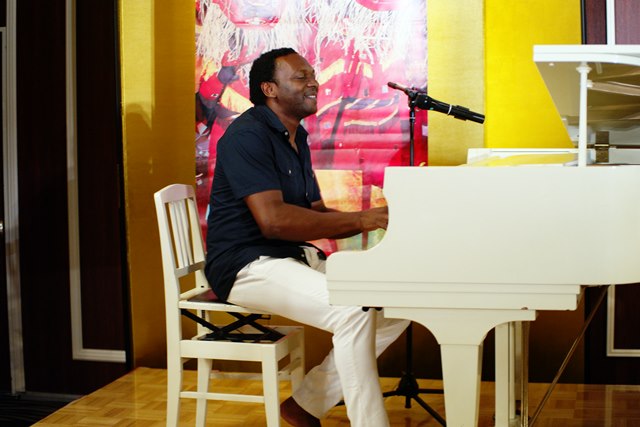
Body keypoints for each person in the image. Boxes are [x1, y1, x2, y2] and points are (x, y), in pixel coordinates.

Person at [205, 47, 409, 427]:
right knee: (353, 311)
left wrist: (377, 219)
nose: (314, 83)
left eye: (312, 75)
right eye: (301, 77)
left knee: (397, 305)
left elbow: (314, 212)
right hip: (245, 263)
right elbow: (274, 222)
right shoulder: (247, 136)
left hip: (289, 256)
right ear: (269, 88)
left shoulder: (296, 137)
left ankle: (306, 404)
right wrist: (363, 219)